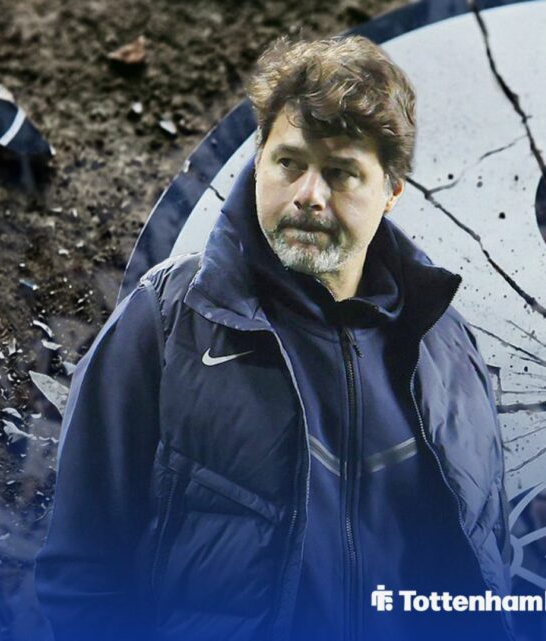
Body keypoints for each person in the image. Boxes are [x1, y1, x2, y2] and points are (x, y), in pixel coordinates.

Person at [35, 35, 513, 641]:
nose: (309, 195)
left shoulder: (444, 343)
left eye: (341, 173)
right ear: (259, 161)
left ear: (391, 192)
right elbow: (83, 566)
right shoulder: (169, 316)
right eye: (289, 163)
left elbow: (487, 559)